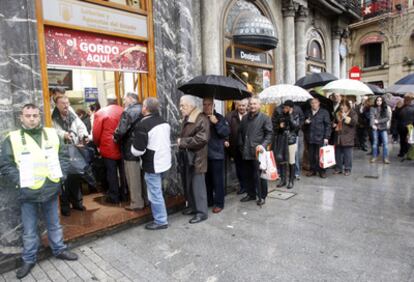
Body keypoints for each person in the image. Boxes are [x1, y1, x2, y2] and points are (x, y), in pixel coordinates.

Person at [0, 104, 78, 279]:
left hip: (50, 187)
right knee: (29, 229)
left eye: (35, 115)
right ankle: (29, 259)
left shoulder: (52, 134)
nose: (32, 118)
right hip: (28, 191)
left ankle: (59, 250)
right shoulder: (11, 138)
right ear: (21, 117)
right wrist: (20, 182)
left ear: (39, 116)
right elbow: (6, 164)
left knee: (54, 223)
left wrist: (61, 176)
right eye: (28, 116)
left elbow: (63, 156)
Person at [131, 98, 171, 230]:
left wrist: (132, 147)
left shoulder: (143, 125)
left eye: (143, 106)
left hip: (152, 163)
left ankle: (161, 221)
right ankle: (161, 216)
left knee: (155, 193)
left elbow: (138, 151)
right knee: (158, 191)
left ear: (145, 108)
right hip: (165, 162)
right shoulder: (164, 122)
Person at [51, 95, 88, 216]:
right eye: (63, 103)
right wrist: (63, 134)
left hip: (73, 150)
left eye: (67, 103)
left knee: (75, 177)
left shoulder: (72, 113)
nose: (66, 105)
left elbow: (81, 126)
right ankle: (65, 206)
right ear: (57, 104)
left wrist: (83, 136)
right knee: (64, 180)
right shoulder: (52, 115)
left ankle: (77, 203)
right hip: (59, 153)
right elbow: (52, 130)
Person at [178, 95, 209, 224]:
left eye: (182, 106)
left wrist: (183, 142)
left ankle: (202, 213)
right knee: (189, 185)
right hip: (188, 158)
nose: (180, 108)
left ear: (191, 106)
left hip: (197, 159)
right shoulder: (188, 117)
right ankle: (193, 207)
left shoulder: (201, 118)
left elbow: (202, 139)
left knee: (198, 187)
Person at [114, 93, 145, 211]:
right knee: (142, 177)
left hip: (130, 149)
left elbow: (121, 131)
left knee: (133, 178)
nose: (123, 102)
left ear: (132, 99)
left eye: (125, 100)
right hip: (143, 147)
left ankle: (136, 202)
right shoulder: (144, 109)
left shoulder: (128, 112)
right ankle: (145, 200)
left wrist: (115, 137)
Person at [238, 96, 272, 205]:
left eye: (254, 104)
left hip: (258, 152)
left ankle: (262, 196)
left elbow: (269, 134)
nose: (252, 106)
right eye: (251, 104)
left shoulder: (265, 118)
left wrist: (263, 145)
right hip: (246, 151)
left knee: (260, 176)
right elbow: (240, 133)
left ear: (259, 105)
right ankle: (251, 194)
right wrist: (241, 146)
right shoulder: (244, 118)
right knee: (247, 174)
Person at [93, 98, 125, 203]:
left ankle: (114, 196)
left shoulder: (100, 113)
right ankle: (124, 194)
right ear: (117, 101)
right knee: (124, 172)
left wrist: (97, 145)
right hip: (122, 145)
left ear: (107, 102)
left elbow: (96, 133)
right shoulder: (124, 110)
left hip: (108, 147)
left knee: (111, 173)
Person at [203, 97, 230, 213]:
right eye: (204, 104)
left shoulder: (219, 118)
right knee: (207, 180)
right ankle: (209, 200)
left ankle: (219, 203)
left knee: (217, 181)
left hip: (216, 154)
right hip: (204, 154)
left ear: (213, 106)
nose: (206, 106)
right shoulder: (201, 117)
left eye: (209, 104)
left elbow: (226, 132)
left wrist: (216, 123)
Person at [271, 100, 300, 189]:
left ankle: (291, 180)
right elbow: (275, 128)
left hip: (291, 140)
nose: (285, 109)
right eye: (284, 107)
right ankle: (283, 180)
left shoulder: (295, 115)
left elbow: (296, 127)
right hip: (281, 140)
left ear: (291, 108)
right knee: (282, 159)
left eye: (287, 107)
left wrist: (290, 116)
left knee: (291, 160)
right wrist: (279, 127)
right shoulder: (280, 115)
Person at [225, 99, 248, 194]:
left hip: (248, 147)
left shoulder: (251, 115)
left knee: (249, 167)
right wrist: (226, 139)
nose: (241, 107)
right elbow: (226, 130)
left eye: (243, 105)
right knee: (239, 168)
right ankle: (242, 186)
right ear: (236, 105)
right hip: (236, 146)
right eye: (240, 105)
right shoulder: (230, 116)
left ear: (247, 106)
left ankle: (250, 186)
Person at [304, 98, 331, 178]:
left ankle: (322, 171)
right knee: (311, 155)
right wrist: (305, 122)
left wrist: (326, 137)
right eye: (312, 103)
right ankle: (313, 170)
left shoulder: (324, 112)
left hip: (321, 137)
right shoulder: (308, 112)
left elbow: (328, 125)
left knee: (320, 155)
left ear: (319, 103)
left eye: (315, 102)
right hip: (310, 137)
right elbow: (303, 125)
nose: (314, 104)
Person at [333, 100, 358, 176]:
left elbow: (354, 122)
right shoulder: (338, 113)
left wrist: (345, 117)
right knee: (338, 153)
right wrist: (334, 124)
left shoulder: (352, 113)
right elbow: (335, 122)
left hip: (348, 136)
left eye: (344, 105)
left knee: (348, 154)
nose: (342, 107)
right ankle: (338, 168)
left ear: (348, 106)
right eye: (341, 105)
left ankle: (347, 169)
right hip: (338, 135)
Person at [370, 96, 390, 164]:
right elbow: (371, 117)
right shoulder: (372, 108)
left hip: (383, 128)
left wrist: (378, 121)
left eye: (380, 100)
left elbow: (387, 118)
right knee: (375, 143)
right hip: (375, 128)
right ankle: (374, 157)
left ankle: (385, 158)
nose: (379, 102)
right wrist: (372, 124)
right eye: (377, 100)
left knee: (385, 143)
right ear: (376, 101)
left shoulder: (385, 108)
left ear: (382, 101)